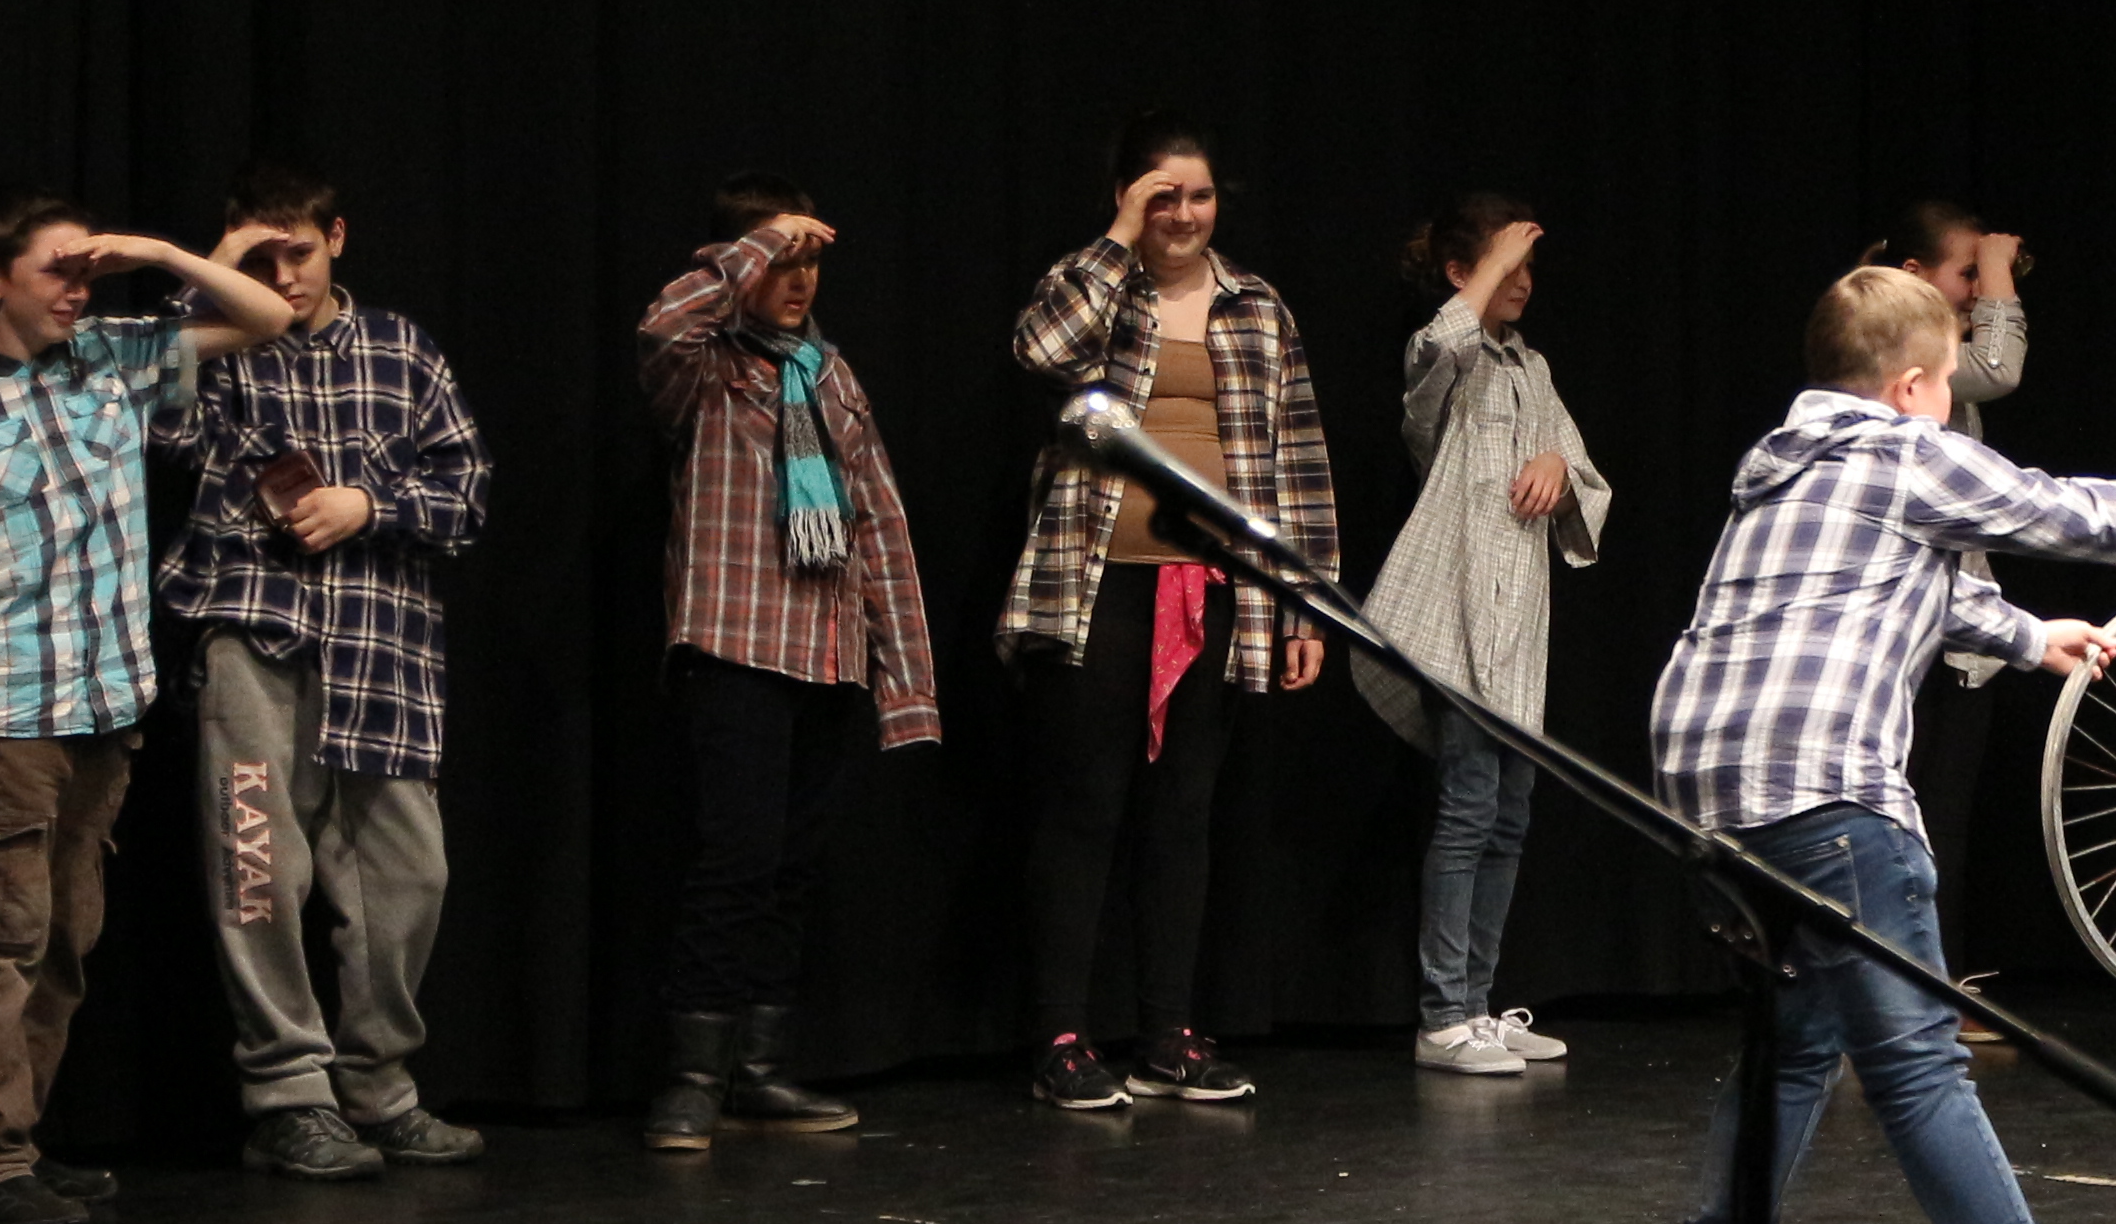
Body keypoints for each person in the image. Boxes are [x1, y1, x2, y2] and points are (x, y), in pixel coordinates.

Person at [1643, 264, 2116, 1224]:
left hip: (1703, 794)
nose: (1949, 404)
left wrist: (2028, 636)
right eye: (1947, 383)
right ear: (1909, 386)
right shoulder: (1904, 451)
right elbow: (2065, 511)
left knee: (1794, 1044)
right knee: (1914, 1062)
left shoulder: (1781, 464)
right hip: (1822, 790)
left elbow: (1885, 586)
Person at [0, 198, 294, 1224]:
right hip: (5, 709)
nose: (76, 292)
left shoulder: (112, 357)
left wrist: (154, 252)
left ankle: (16, 1142)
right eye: (55, 273)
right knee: (0, 938)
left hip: (107, 705)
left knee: (66, 936)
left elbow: (267, 318)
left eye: (86, 274)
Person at [151, 161, 493, 1181]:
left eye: (295, 252)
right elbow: (159, 425)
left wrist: (367, 506)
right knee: (259, 870)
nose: (281, 277)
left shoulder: (400, 349)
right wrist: (208, 278)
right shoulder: (218, 346)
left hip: (383, 647)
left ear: (335, 238)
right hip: (256, 634)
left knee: (409, 876)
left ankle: (378, 1088)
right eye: (257, 258)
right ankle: (288, 1097)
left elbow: (467, 492)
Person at [1003, 116, 1341, 1112]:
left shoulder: (1257, 308)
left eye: (1198, 195)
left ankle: (1166, 1035)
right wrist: (1116, 241)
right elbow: (1040, 349)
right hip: (1100, 583)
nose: (1184, 214)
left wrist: (1306, 607)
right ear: (1127, 198)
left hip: (1219, 589)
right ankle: (1061, 1037)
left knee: (1185, 813)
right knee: (1087, 805)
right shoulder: (1097, 285)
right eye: (1162, 196)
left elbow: (1299, 461)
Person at [638, 181, 941, 1148]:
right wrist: (761, 242)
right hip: (735, 642)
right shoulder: (705, 365)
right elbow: (663, 322)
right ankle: (692, 1076)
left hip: (826, 652)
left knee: (791, 870)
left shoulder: (830, 373)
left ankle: (758, 1069)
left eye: (811, 263)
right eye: (782, 262)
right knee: (735, 862)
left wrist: (905, 684)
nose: (799, 279)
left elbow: (879, 524)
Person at [1358, 191, 1610, 1076]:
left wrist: (1557, 465)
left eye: (1530, 266)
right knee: (1468, 807)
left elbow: (1584, 475)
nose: (1523, 281)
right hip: (1457, 619)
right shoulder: (1451, 360)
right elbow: (1434, 352)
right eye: (1506, 265)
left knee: (1509, 816)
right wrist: (1490, 267)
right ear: (1462, 272)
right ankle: (1443, 1015)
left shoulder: (1531, 369)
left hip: (1517, 628)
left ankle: (1479, 1004)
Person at [1865, 198, 2035, 1000]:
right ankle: (1886, 992)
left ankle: (1938, 983)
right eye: (1965, 273)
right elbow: (2001, 369)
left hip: (1956, 620)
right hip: (1898, 624)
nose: (1978, 289)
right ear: (1912, 275)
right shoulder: (1889, 352)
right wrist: (2000, 273)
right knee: (1892, 814)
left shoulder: (1937, 355)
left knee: (1944, 816)